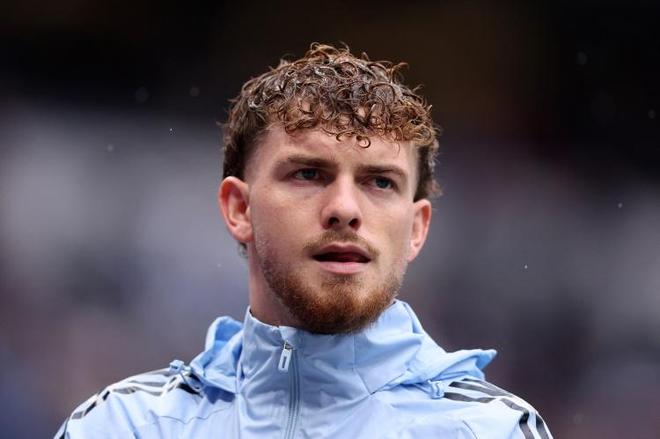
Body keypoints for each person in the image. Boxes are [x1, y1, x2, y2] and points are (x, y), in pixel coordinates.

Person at [56, 43, 552, 438]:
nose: (345, 209)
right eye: (309, 174)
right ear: (239, 208)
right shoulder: (124, 427)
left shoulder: (492, 431)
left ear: (417, 228)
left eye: (380, 182)